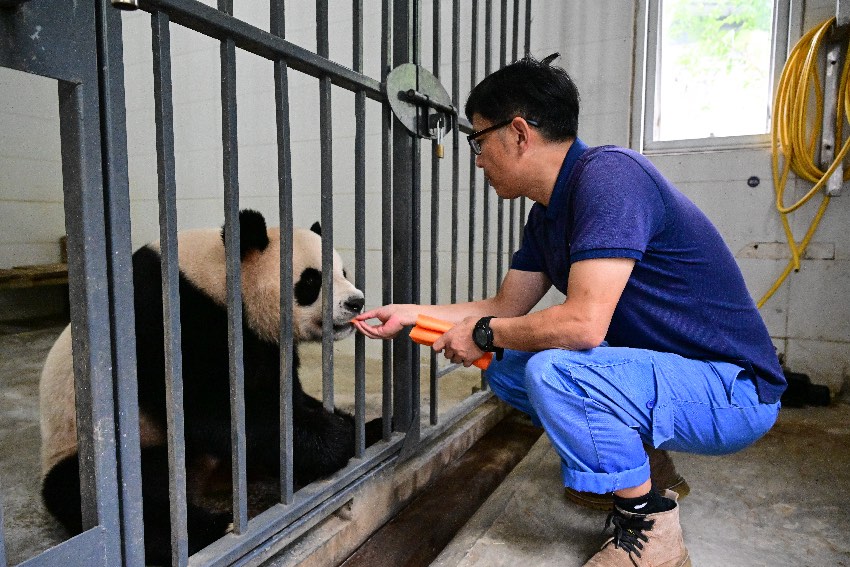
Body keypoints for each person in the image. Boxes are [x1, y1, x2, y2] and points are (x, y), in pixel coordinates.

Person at [353, 54, 785, 567]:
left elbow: (581, 325)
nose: (476, 158)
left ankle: (652, 536)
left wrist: (486, 334)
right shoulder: (547, 215)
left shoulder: (610, 178)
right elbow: (500, 308)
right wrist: (411, 314)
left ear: (518, 133)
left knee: (555, 370)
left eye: (478, 139)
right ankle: (648, 470)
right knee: (509, 368)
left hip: (733, 390)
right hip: (670, 375)